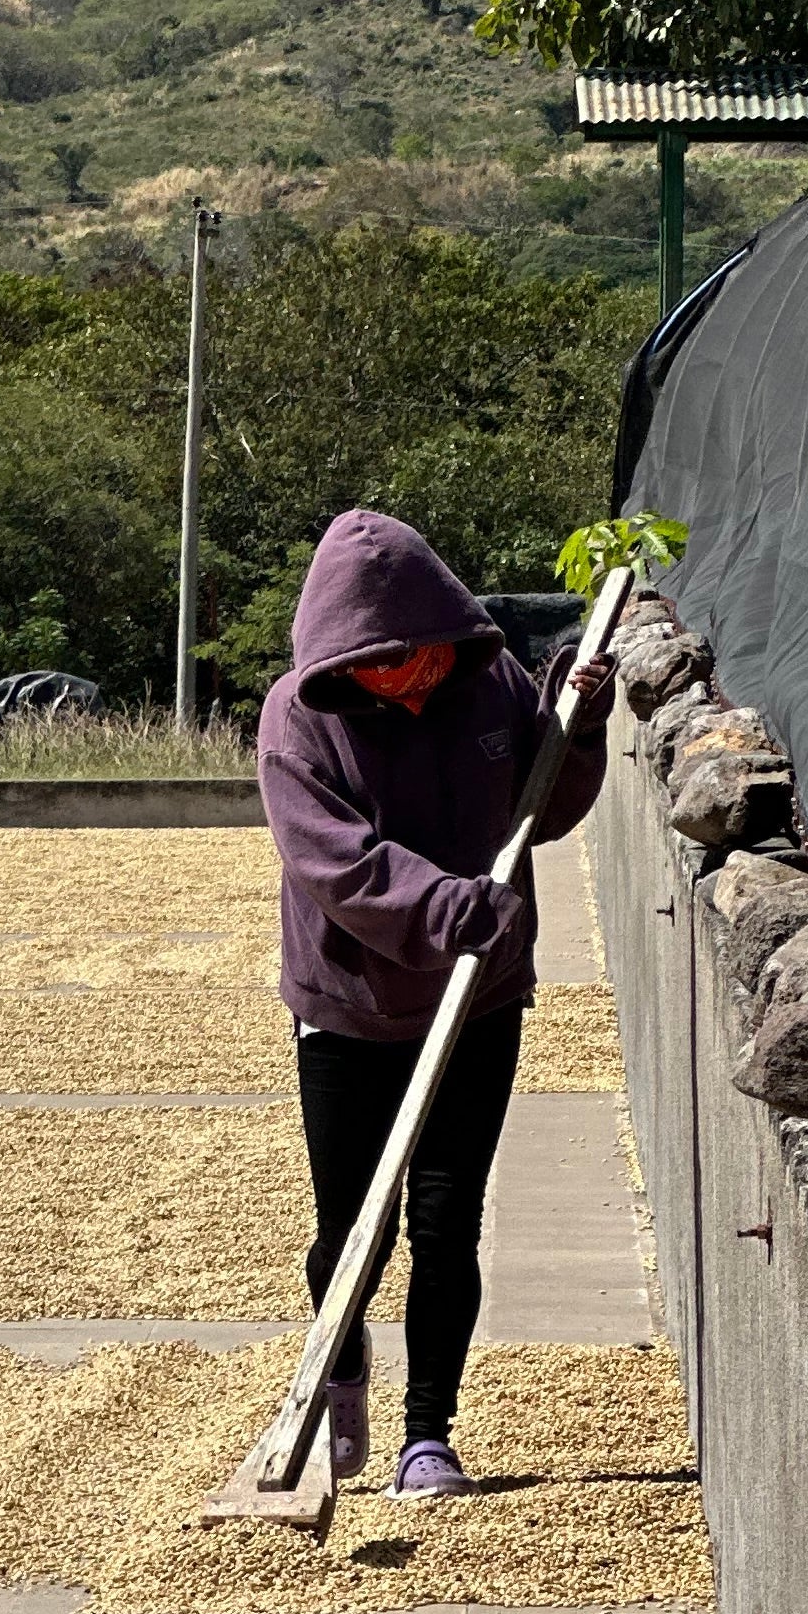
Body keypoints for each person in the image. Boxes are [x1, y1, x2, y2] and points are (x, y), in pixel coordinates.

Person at [255, 511, 612, 1500]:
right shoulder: (298, 720)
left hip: (480, 997)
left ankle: (429, 1438)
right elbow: (337, 865)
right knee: (351, 1233)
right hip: (350, 1003)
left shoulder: (489, 681)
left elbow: (543, 805)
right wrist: (449, 903)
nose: (402, 680)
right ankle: (344, 1373)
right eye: (377, 666)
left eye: (413, 659)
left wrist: (578, 730)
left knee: (446, 1221)